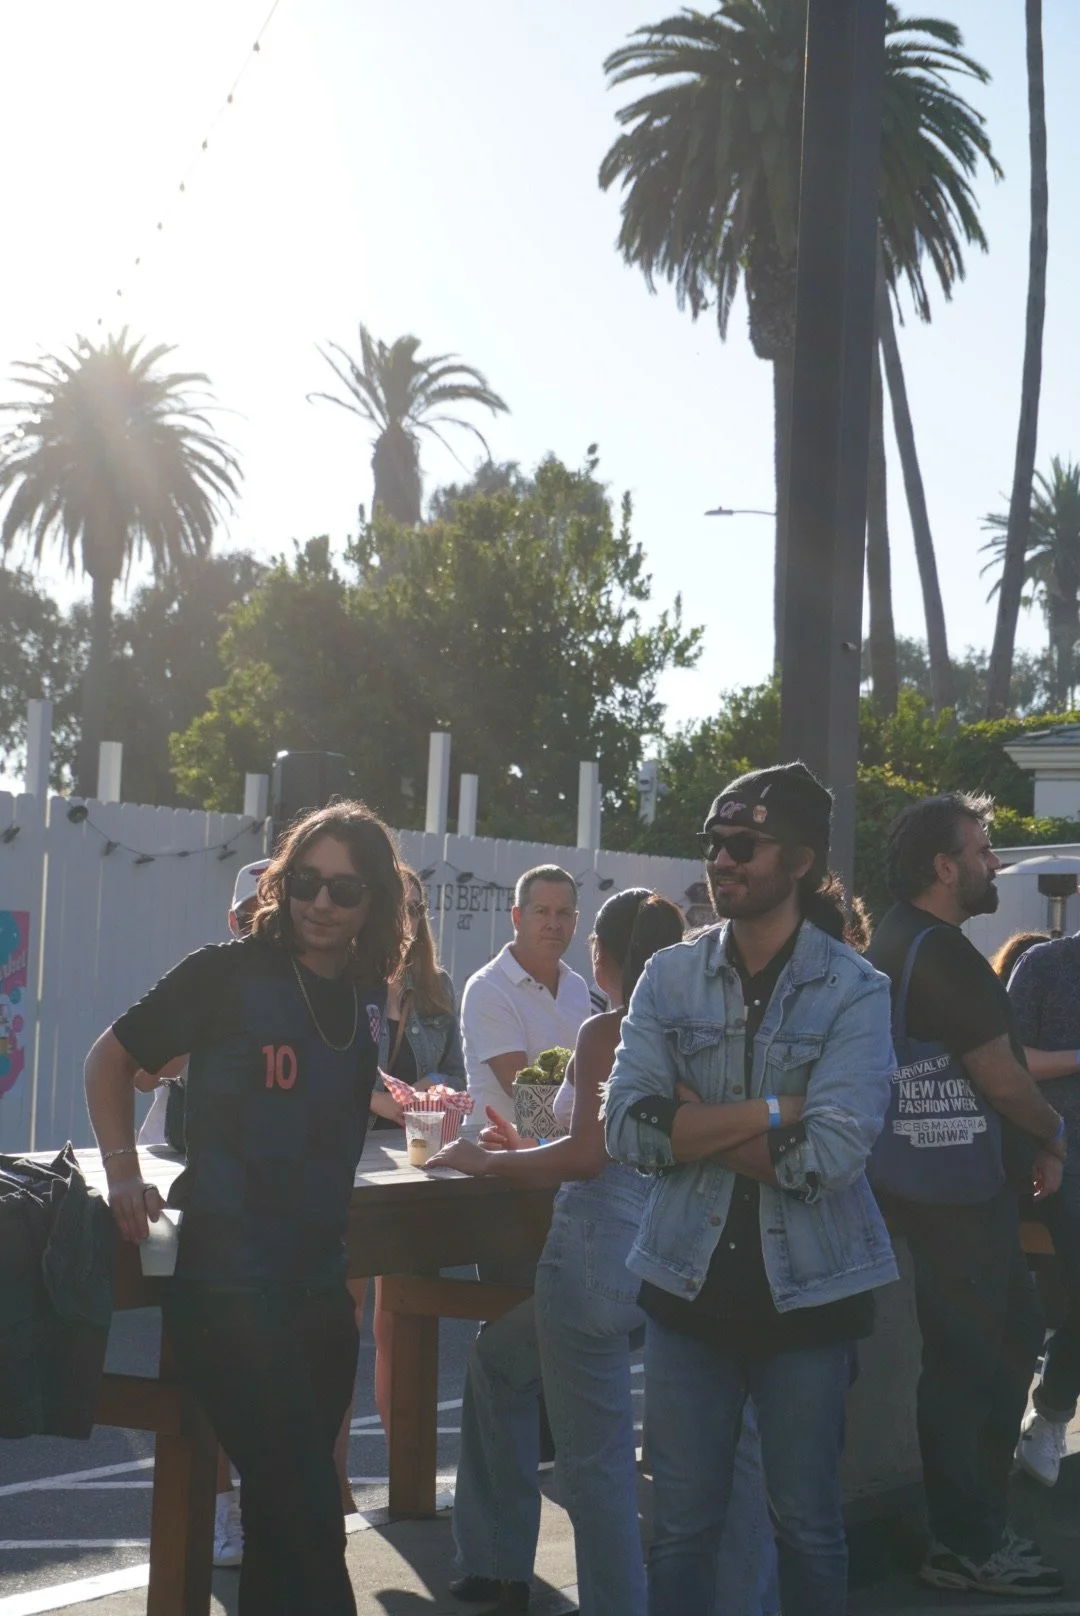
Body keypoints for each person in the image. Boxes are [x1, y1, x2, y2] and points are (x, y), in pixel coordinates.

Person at [84, 801, 407, 1616]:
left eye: (344, 889)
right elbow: (110, 1060)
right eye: (306, 882)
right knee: (309, 1517)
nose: (320, 902)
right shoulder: (223, 974)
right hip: (228, 1289)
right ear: (281, 882)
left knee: (281, 1524)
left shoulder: (366, 997)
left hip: (318, 1292)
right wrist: (123, 1172)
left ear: (373, 901)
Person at [428, 887, 780, 1616]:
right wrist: (524, 1147)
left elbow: (589, 1156)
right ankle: (498, 1563)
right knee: (508, 1365)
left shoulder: (608, 1030)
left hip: (595, 1259)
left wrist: (488, 1160)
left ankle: (538, 1578)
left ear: (603, 955)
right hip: (683, 1257)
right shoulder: (715, 1034)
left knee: (599, 1468)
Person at [604, 762, 898, 1616]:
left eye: (744, 844)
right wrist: (775, 1110)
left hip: (811, 1296)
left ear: (800, 860)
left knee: (807, 1527)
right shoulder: (668, 977)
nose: (721, 860)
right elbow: (626, 1129)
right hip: (685, 1288)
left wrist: (692, 1121)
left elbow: (828, 1157)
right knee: (680, 1530)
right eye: (713, 843)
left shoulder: (856, 988)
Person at [866, 792, 1066, 1596]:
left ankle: (974, 1528)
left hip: (930, 1179)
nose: (995, 863)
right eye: (983, 850)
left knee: (999, 1340)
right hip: (955, 1189)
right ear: (944, 867)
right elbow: (1002, 1078)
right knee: (973, 1361)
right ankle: (966, 1541)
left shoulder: (895, 937)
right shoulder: (941, 952)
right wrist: (1052, 1133)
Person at [132, 857, 269, 1568]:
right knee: (203, 1360)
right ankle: (220, 1513)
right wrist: (204, 1042)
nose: (257, 929)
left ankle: (281, 1504)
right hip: (187, 1183)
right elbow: (137, 1069)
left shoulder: (311, 992)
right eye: (248, 918)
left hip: (270, 1200)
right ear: (232, 920)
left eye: (267, 916)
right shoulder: (213, 977)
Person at [334, 865, 466, 1501]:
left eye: (414, 907)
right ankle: (332, 1478)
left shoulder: (436, 989)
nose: (405, 918)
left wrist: (433, 1092)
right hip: (347, 1167)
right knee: (343, 1319)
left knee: (405, 1320)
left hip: (413, 1167)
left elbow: (455, 1077)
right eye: (395, 904)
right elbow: (329, 1073)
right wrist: (383, 1099)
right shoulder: (344, 982)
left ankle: (406, 1479)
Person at [1007, 925, 1080, 1486]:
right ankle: (1050, 1416)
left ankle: (1049, 1417)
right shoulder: (1044, 965)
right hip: (1053, 1160)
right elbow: (1006, 1061)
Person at [461, 864, 592, 1132]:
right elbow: (525, 1092)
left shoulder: (576, 987)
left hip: (561, 1149)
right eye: (542, 911)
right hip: (495, 1150)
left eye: (564, 913)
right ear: (517, 917)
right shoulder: (487, 988)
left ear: (575, 921)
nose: (554, 924)